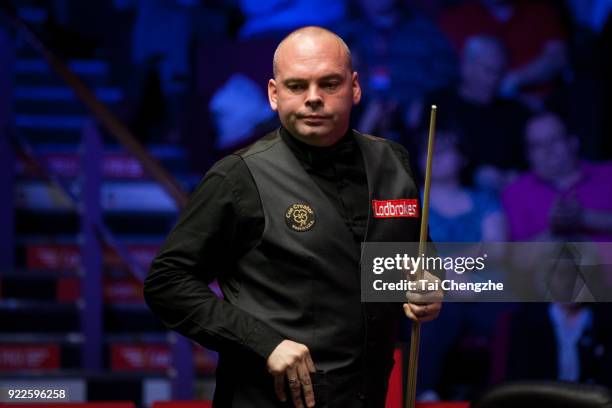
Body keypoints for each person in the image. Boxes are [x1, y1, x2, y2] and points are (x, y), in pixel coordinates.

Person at [144, 26, 442, 408]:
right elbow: (167, 282)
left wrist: (428, 284)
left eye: (329, 83)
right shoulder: (238, 176)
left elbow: (415, 252)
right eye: (297, 86)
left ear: (354, 87)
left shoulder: (393, 162)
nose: (313, 98)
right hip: (267, 399)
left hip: (366, 395)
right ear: (274, 94)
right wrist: (263, 343)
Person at [413, 35, 530, 191]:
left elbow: (529, 158)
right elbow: (426, 159)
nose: (495, 79)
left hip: (510, 195)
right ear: (466, 67)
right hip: (455, 194)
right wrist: (472, 174)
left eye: (501, 72)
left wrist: (517, 176)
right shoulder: (438, 104)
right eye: (489, 70)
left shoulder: (516, 111)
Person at [502, 111, 612, 242]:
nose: (548, 150)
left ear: (573, 142)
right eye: (537, 145)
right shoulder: (514, 193)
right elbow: (511, 258)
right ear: (528, 154)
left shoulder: (608, 174)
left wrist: (584, 217)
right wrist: (554, 232)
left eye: (554, 139)